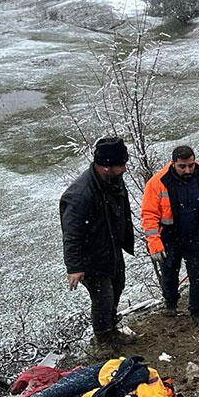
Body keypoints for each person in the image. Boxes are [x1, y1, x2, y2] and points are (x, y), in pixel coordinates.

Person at [60, 137, 137, 349]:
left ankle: (111, 330)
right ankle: (103, 341)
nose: (124, 168)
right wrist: (74, 267)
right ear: (104, 165)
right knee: (103, 298)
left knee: (118, 287)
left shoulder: (113, 180)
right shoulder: (81, 194)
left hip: (111, 248)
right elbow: (72, 233)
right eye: (120, 165)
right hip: (91, 257)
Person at [141, 145, 199, 328]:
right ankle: (171, 302)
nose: (187, 170)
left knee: (198, 275)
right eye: (182, 166)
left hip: (194, 234)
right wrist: (155, 244)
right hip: (169, 236)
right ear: (173, 163)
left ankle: (198, 311)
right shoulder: (157, 182)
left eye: (190, 165)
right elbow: (149, 214)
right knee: (169, 273)